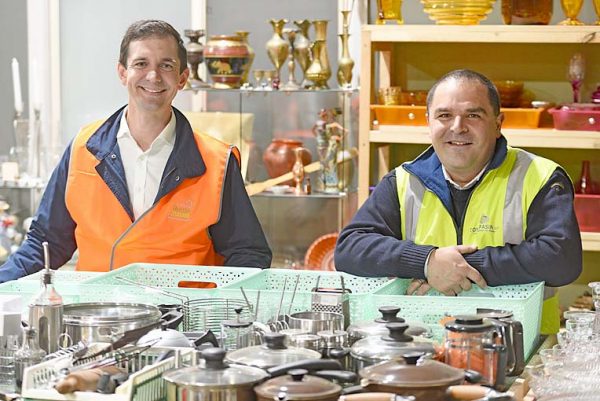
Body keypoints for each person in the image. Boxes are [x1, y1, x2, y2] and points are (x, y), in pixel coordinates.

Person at [0, 20, 272, 282]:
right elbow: (45, 243)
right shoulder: (83, 149)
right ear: (122, 73)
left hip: (182, 313)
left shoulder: (216, 162)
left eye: (166, 65)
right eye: (141, 64)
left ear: (182, 78)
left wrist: (216, 306)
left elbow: (248, 254)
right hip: (98, 310)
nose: (153, 76)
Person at [335, 69, 582, 334]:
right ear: (428, 122)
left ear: (498, 124)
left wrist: (459, 267)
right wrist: (428, 261)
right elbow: (350, 248)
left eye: (473, 115)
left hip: (521, 345)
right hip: (425, 342)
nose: (457, 127)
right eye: (444, 115)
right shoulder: (403, 181)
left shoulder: (540, 177)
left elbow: (561, 259)